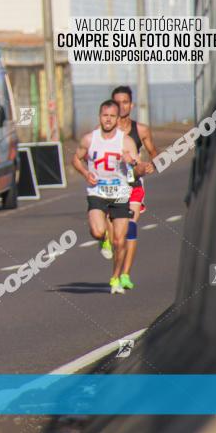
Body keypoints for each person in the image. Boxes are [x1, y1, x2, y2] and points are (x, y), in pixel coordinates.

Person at [72, 100, 147, 294]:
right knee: (97, 231)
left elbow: (140, 169)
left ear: (117, 119)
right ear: (100, 117)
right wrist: (85, 173)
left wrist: (131, 162)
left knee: (119, 242)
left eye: (112, 116)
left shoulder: (126, 141)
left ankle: (115, 278)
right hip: (98, 191)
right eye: (105, 115)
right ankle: (102, 236)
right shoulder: (90, 139)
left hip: (121, 194)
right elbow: (75, 158)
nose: (108, 119)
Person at [105, 86, 157, 289]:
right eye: (117, 103)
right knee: (115, 236)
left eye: (125, 102)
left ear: (131, 105)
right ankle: (116, 273)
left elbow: (154, 152)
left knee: (130, 228)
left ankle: (125, 275)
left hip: (134, 184)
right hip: (110, 187)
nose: (122, 106)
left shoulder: (141, 130)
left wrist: (152, 164)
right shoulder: (106, 130)